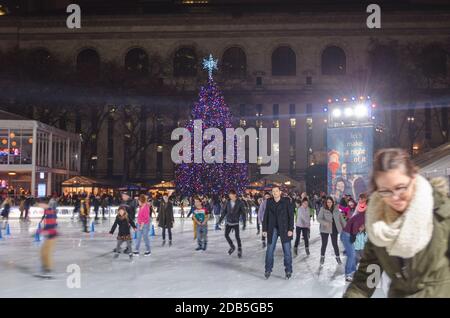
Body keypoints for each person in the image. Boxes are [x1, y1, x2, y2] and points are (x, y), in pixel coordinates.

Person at [344, 148, 450, 298]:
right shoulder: (378, 227)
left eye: (400, 187)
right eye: (385, 191)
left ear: (413, 178)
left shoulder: (442, 213)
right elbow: (365, 281)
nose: (395, 198)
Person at [262, 186, 295, 280]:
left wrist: (291, 229)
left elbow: (291, 216)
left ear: (280, 192)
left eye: (277, 191)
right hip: (273, 229)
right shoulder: (269, 202)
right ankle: (268, 269)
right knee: (269, 250)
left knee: (287, 251)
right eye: (273, 191)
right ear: (272, 193)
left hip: (284, 228)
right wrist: (264, 229)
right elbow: (266, 216)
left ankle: (288, 270)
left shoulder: (286, 201)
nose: (275, 192)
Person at [340, 193, 367, 282]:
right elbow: (355, 225)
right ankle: (348, 274)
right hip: (346, 235)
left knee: (353, 254)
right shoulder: (363, 215)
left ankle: (353, 271)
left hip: (349, 234)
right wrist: (355, 233)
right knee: (351, 255)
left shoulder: (364, 215)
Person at [318, 196, 346, 266]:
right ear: (326, 202)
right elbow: (319, 218)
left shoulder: (337, 209)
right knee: (324, 244)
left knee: (335, 244)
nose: (329, 203)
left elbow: (342, 220)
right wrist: (325, 223)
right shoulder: (323, 209)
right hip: (325, 229)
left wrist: (346, 227)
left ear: (333, 202)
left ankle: (337, 257)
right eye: (327, 202)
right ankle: (322, 256)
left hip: (334, 229)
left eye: (330, 202)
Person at [219, 189, 246, 258]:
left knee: (237, 237)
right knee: (226, 235)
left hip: (235, 222)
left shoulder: (240, 202)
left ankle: (239, 249)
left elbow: (243, 213)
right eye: (229, 195)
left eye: (231, 195)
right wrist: (220, 220)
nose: (230, 196)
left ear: (235, 195)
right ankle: (232, 246)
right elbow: (224, 212)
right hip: (228, 222)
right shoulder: (228, 202)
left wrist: (244, 223)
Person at [37, 200, 58, 277]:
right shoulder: (47, 211)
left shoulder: (49, 212)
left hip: (52, 236)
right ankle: (45, 266)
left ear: (45, 204)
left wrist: (40, 231)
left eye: (41, 204)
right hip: (49, 235)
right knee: (43, 251)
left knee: (47, 252)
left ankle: (48, 267)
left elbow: (51, 225)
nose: (40, 206)